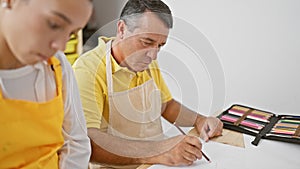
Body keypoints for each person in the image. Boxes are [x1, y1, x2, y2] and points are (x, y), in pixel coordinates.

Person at [73, 0, 223, 168]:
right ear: (122, 29)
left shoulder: (146, 60)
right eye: (147, 42)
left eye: (160, 45)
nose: (153, 55)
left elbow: (166, 105)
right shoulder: (87, 70)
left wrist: (200, 120)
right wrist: (160, 151)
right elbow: (89, 144)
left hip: (156, 163)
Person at [0, 0, 93, 168]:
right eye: (54, 24)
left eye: (71, 34)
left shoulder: (56, 64)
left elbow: (76, 143)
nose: (60, 46)